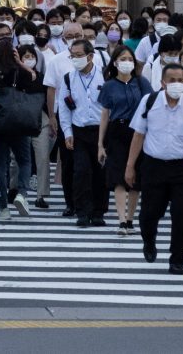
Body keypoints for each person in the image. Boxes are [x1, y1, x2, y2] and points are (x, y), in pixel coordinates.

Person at [125, 63, 183, 275]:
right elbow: (138, 134)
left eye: (180, 80)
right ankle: (149, 241)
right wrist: (130, 166)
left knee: (182, 215)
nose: (176, 84)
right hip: (154, 166)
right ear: (162, 82)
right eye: (171, 80)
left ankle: (177, 260)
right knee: (149, 214)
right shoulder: (149, 102)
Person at [0, 39, 39, 220]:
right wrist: (20, 64)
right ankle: (22, 193)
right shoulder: (19, 72)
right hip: (20, 123)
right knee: (24, 160)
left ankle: (3, 207)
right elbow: (34, 80)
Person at [97, 45, 151, 235]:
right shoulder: (109, 85)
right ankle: (121, 221)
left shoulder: (141, 83)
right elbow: (105, 115)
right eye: (122, 59)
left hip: (138, 131)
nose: (126, 62)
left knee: (135, 177)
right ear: (115, 62)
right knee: (119, 177)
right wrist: (100, 144)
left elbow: (150, 106)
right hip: (117, 130)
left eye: (129, 59)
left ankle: (130, 219)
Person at [57, 39, 108, 227]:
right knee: (81, 172)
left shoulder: (105, 76)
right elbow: (64, 107)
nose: (76, 59)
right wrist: (67, 132)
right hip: (79, 131)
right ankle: (82, 212)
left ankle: (98, 211)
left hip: (100, 131)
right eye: (73, 56)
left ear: (90, 56)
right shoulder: (68, 78)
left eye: (79, 56)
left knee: (99, 172)